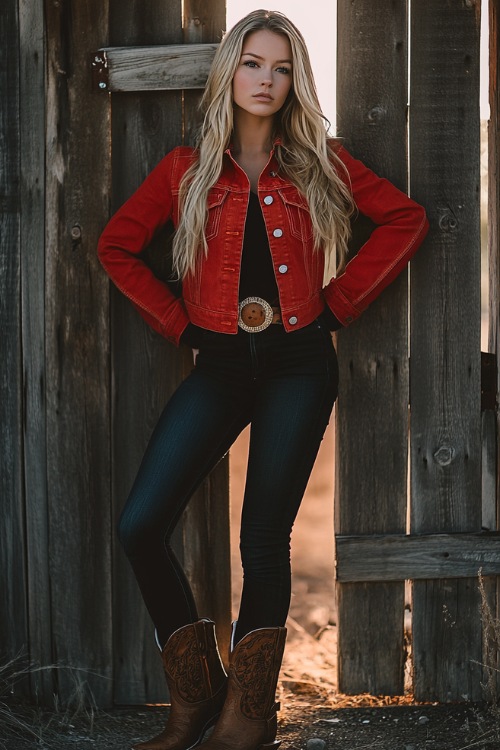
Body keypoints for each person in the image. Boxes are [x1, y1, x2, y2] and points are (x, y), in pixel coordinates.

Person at [97, 9, 429, 750]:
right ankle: (196, 699)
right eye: (253, 63)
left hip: (299, 367)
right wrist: (180, 325)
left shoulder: (319, 164)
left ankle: (249, 717)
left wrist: (338, 304)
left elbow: (405, 221)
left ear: (294, 82)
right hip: (216, 365)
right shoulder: (185, 171)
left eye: (281, 68)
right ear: (229, 71)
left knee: (263, 537)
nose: (266, 79)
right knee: (141, 525)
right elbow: (118, 246)